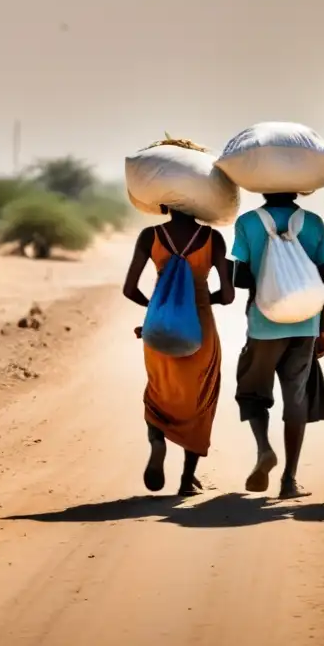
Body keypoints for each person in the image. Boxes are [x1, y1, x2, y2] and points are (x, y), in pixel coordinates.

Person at [123, 207, 235, 497]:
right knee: (199, 399)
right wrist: (199, 297)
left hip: (159, 328)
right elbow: (228, 295)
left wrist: (159, 309)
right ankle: (187, 479)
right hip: (200, 328)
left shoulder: (150, 236)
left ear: (166, 205)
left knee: (159, 390)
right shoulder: (214, 239)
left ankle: (157, 441)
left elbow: (129, 289)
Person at [231, 192, 324, 500]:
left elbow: (240, 278)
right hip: (306, 324)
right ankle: (289, 479)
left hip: (263, 325)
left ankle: (264, 449)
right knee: (297, 398)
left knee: (251, 392)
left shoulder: (248, 222)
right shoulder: (314, 223)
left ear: (263, 187)